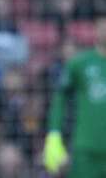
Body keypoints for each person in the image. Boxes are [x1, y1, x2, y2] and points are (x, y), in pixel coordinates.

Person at [43, 12, 106, 178]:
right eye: (102, 24)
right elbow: (60, 98)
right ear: (95, 28)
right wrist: (54, 134)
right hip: (86, 150)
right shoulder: (79, 64)